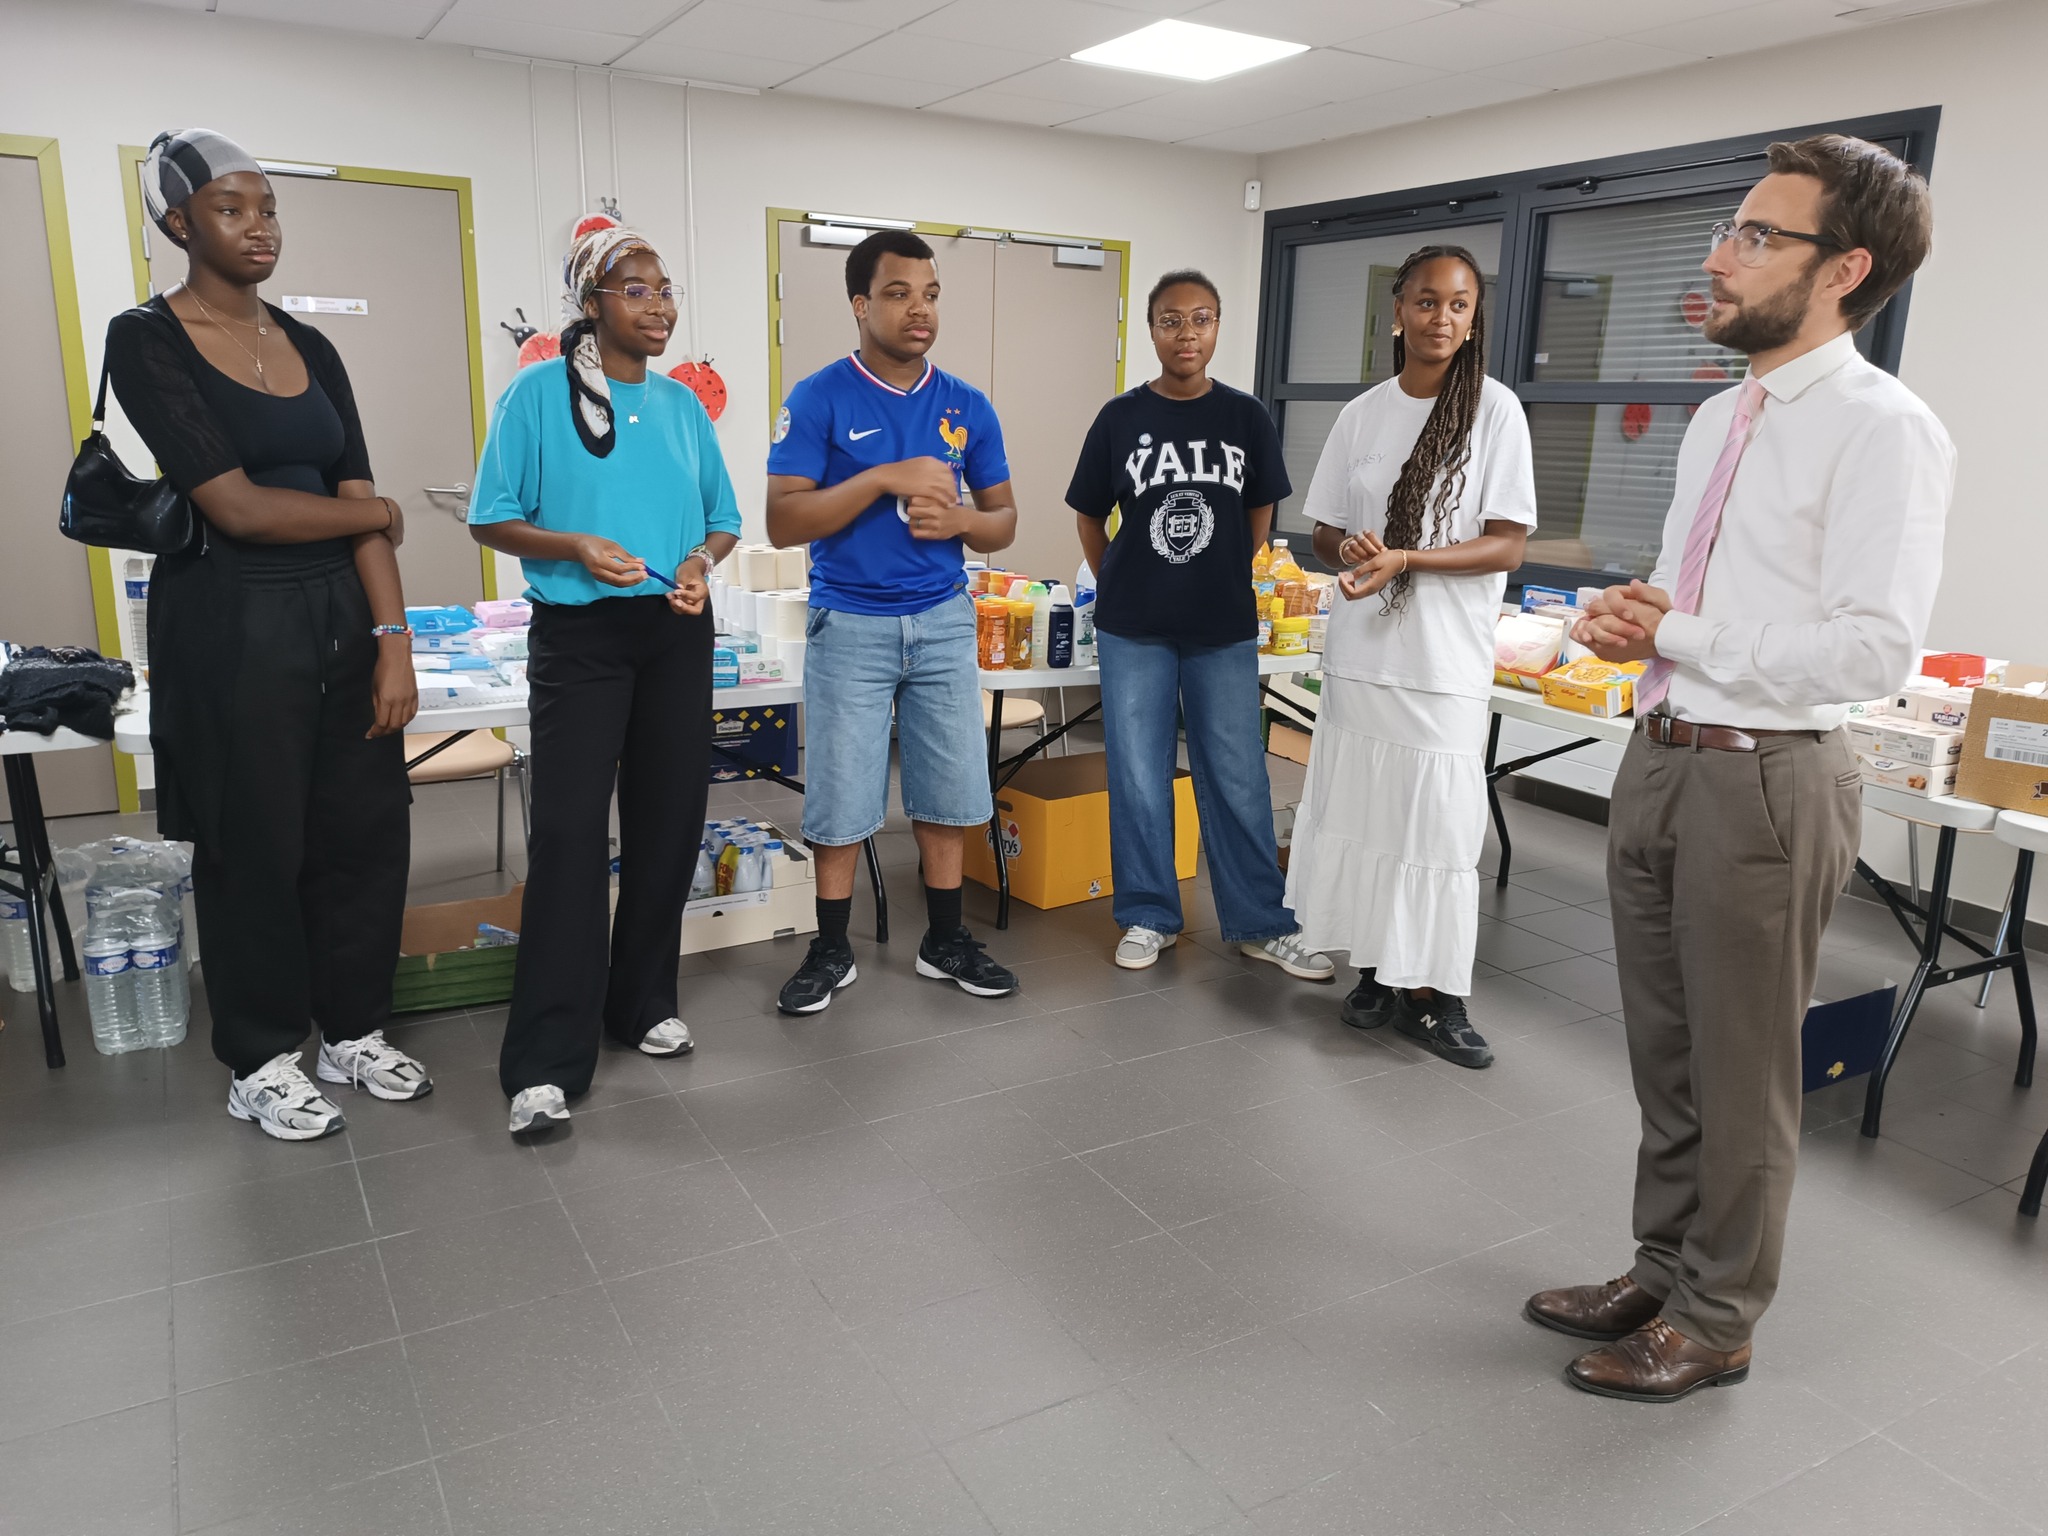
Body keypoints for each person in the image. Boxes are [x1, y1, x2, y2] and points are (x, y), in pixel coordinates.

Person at [1526, 135, 1948, 1401]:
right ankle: (1661, 1266)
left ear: (1843, 270)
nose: (1719, 256)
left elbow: (1869, 650)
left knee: (1741, 1066)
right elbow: (1702, 593)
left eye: (1759, 236)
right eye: (1728, 228)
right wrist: (1635, 620)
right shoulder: (1722, 415)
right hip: (1662, 755)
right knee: (1665, 1052)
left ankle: (1716, 1318)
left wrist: (1684, 635)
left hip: (1766, 781)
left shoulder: (1883, 430)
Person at [104, 128, 427, 1140]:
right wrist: (375, 517)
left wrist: (393, 637)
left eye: (268, 208)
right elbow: (236, 508)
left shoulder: (311, 345)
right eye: (231, 208)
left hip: (342, 616)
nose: (259, 227)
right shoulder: (146, 339)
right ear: (178, 223)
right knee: (254, 845)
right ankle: (260, 1057)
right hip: (229, 619)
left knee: (363, 834)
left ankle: (351, 1031)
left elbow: (357, 489)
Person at [469, 226, 741, 1135]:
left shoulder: (683, 407)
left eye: (665, 289)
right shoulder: (537, 395)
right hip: (580, 638)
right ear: (591, 304)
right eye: (636, 289)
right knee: (571, 837)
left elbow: (722, 519)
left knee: (669, 825)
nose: (658, 305)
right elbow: (491, 517)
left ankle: (643, 1002)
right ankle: (546, 1059)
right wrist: (575, 546)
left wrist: (699, 564)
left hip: (675, 631)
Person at [1287, 245, 1538, 1070]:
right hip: (1362, 658)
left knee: (1433, 830)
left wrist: (1408, 558)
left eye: (1460, 305)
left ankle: (1436, 998)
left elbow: (1507, 544)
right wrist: (1353, 551)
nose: (1442, 318)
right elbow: (1323, 531)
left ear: (1474, 319)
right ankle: (1377, 969)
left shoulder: (1495, 411)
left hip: (1440, 666)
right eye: (1427, 302)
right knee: (1367, 819)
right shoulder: (1362, 414)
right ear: (1398, 312)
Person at [764, 230, 1020, 1015]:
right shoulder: (820, 397)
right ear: (860, 303)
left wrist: (963, 523)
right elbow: (783, 520)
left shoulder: (967, 405)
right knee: (841, 795)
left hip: (942, 620)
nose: (920, 310)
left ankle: (945, 940)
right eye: (900, 293)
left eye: (931, 294)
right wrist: (881, 478)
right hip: (850, 622)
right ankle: (830, 947)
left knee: (949, 787)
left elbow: (1004, 520)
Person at [1067, 269, 1333, 983]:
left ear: (1217, 327)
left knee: (1238, 773)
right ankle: (1148, 915)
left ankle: (1260, 923)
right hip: (1133, 626)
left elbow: (1258, 512)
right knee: (1138, 773)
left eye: (1201, 318)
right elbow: (1089, 513)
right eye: (1171, 320)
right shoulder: (1119, 418)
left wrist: (1221, 570)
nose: (1187, 333)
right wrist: (1118, 575)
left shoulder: (1245, 417)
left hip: (1222, 624)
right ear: (1151, 330)